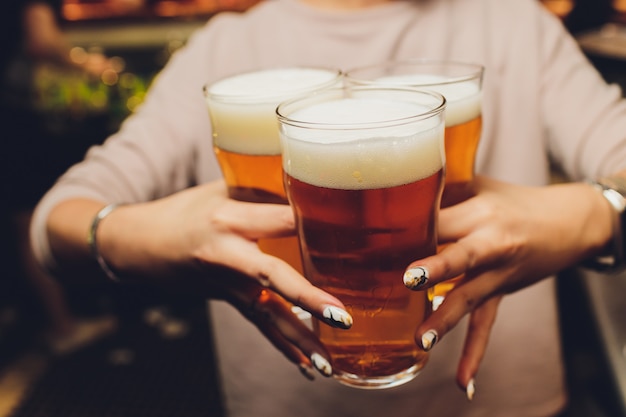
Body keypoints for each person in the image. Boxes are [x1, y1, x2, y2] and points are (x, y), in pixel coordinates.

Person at [28, 0, 626, 415]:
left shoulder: (513, 21)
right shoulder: (226, 48)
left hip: (508, 402)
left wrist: (595, 214)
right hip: (291, 403)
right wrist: (138, 236)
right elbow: (53, 225)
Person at [2, 0, 117, 354]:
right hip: (12, 115)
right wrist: (87, 64)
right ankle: (62, 325)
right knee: (28, 216)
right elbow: (41, 41)